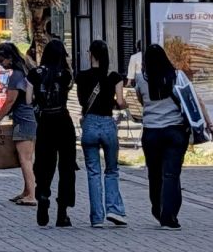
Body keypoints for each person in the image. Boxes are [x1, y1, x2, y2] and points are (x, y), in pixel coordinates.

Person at [136, 42, 213, 229]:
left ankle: (157, 208)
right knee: (171, 174)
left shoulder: (141, 79)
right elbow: (194, 99)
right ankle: (169, 217)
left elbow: (141, 100)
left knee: (154, 174)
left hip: (151, 132)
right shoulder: (178, 76)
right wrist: (208, 123)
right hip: (175, 132)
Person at [76, 38, 127, 228]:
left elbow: (82, 102)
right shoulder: (114, 77)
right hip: (107, 123)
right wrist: (121, 104)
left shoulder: (81, 76)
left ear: (91, 55)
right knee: (112, 170)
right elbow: (120, 102)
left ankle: (97, 217)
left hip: (89, 124)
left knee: (93, 172)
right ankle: (114, 210)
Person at [29, 38, 77, 227]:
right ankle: (62, 212)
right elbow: (70, 85)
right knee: (66, 166)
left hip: (45, 121)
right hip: (63, 121)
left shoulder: (35, 73)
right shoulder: (65, 74)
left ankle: (42, 194)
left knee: (44, 163)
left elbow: (28, 99)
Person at [0, 41, 37, 206]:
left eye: (1, 60)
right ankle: (27, 190)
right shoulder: (25, 71)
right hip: (29, 118)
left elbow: (10, 101)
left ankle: (31, 194)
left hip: (23, 120)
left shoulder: (16, 75)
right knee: (26, 158)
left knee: (25, 159)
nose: (0, 64)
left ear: (10, 58)